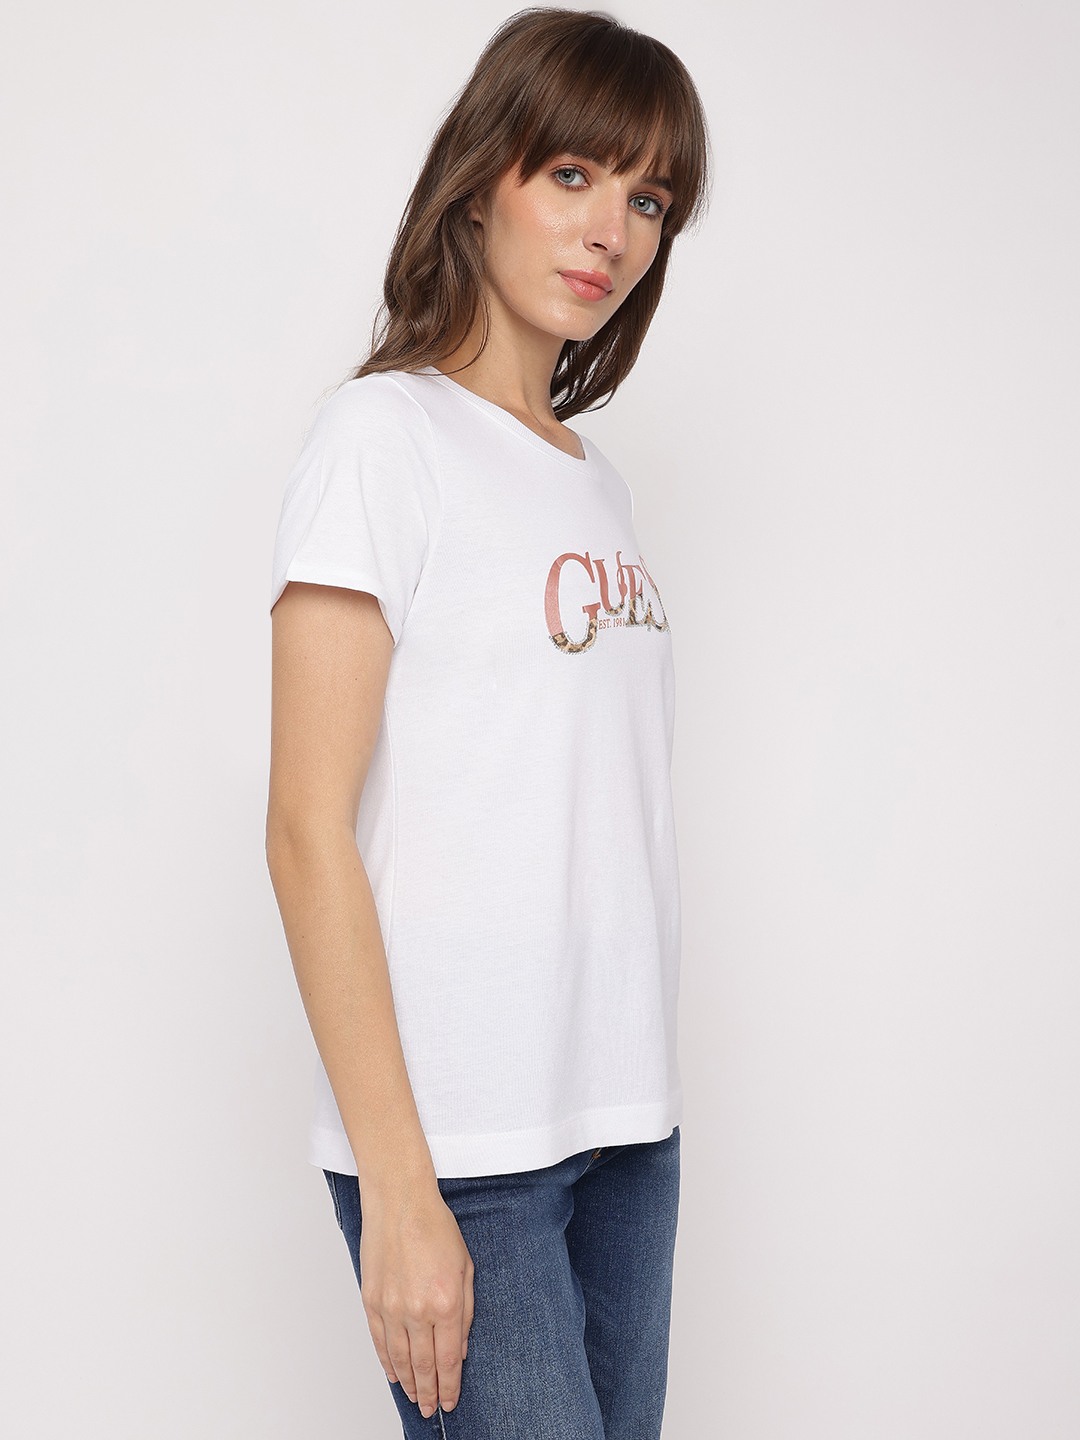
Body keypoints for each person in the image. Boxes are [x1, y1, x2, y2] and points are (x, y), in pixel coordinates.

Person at [265, 7, 711, 1437]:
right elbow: (304, 828)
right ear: (480, 182)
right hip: (465, 1146)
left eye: (648, 199)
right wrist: (400, 1188)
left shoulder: (596, 483)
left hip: (628, 1127)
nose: (612, 231)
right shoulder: (382, 440)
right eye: (573, 174)